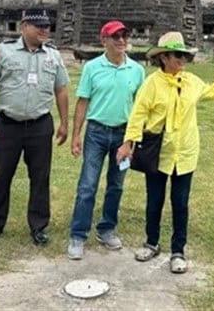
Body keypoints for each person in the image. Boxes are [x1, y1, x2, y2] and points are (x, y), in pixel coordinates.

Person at [116, 31, 214, 274]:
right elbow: (138, 115)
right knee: (154, 201)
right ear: (163, 57)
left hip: (185, 152)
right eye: (177, 56)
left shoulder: (191, 81)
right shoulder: (152, 84)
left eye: (185, 56)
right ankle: (151, 242)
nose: (182, 60)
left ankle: (178, 251)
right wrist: (128, 143)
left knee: (181, 203)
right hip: (158, 153)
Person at [0, 9, 69, 246]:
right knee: (1, 175)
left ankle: (38, 226)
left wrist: (64, 122)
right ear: (23, 26)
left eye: (47, 26)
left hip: (40, 124)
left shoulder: (53, 55)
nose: (44, 30)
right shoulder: (3, 51)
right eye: (38, 26)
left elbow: (61, 89)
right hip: (8, 125)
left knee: (40, 177)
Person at [66, 20, 145, 260]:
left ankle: (107, 228)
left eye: (124, 36)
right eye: (115, 37)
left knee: (116, 184)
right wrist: (76, 135)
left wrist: (131, 141)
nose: (121, 41)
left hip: (123, 134)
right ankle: (78, 234)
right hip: (96, 132)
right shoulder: (92, 67)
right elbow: (83, 102)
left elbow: (140, 109)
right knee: (88, 184)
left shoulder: (137, 70)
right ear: (104, 41)